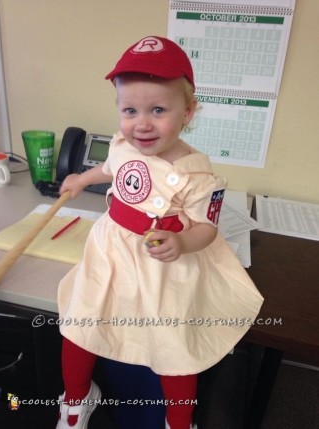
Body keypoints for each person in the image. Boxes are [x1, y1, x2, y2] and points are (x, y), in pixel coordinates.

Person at [55, 36, 264, 429]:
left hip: (163, 264)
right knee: (79, 323)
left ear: (188, 111)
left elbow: (206, 229)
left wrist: (183, 242)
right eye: (130, 110)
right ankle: (76, 399)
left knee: (174, 344)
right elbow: (110, 169)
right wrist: (81, 179)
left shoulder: (200, 175)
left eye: (158, 110)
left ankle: (179, 419)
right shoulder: (122, 146)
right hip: (112, 251)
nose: (142, 123)